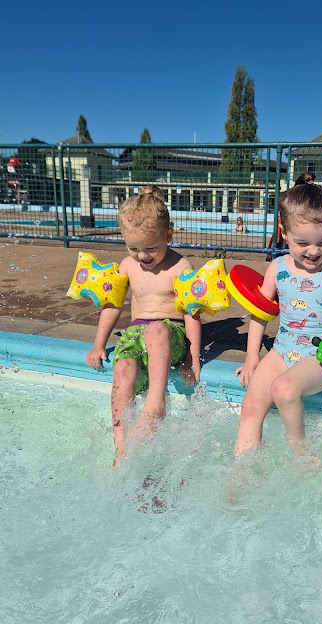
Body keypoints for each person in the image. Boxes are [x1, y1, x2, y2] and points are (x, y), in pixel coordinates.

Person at [234, 183, 322, 461]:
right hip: (281, 351)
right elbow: (261, 312)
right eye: (303, 243)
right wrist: (252, 356)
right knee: (251, 404)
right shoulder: (278, 268)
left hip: (320, 358)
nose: (313, 251)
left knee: (283, 389)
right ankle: (243, 471)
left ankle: (300, 453)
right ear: (284, 232)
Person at [86, 186, 201, 466]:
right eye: (133, 248)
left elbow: (192, 313)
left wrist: (192, 357)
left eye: (151, 248)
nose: (142, 256)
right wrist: (98, 344)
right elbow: (113, 305)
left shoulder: (179, 266)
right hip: (137, 333)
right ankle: (121, 446)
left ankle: (154, 404)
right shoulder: (127, 265)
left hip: (168, 334)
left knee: (155, 329)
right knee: (123, 369)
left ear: (169, 236)